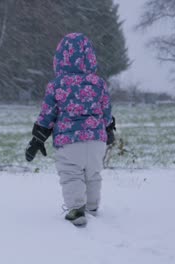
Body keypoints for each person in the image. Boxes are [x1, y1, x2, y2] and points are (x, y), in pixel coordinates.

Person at [25, 33, 116, 227]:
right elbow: (106, 111)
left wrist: (37, 139)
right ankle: (92, 208)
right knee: (93, 175)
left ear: (59, 59)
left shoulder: (56, 85)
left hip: (69, 141)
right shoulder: (99, 83)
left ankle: (76, 209)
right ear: (90, 57)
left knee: (71, 174)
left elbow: (47, 115)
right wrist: (109, 131)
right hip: (96, 140)